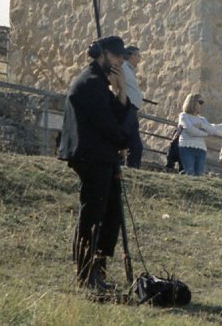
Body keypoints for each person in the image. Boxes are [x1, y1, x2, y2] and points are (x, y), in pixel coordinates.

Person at [59, 35, 131, 292]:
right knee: (93, 215)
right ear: (102, 54)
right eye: (117, 58)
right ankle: (86, 274)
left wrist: (120, 88)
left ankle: (97, 271)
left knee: (110, 214)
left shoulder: (101, 83)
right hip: (92, 156)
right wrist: (123, 140)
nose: (120, 63)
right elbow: (111, 125)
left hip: (103, 156)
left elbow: (120, 112)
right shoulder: (90, 83)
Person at [176, 93, 222, 176]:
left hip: (201, 149)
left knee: (199, 175)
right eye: (200, 102)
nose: (202, 105)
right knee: (190, 173)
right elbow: (191, 130)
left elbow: (212, 130)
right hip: (186, 147)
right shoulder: (184, 116)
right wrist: (205, 133)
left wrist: (202, 126)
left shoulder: (202, 119)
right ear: (192, 102)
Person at [121, 45, 145, 168]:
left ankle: (133, 168)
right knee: (122, 138)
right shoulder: (123, 67)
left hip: (132, 110)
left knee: (136, 145)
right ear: (131, 55)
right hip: (126, 109)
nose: (139, 59)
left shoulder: (129, 70)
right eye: (138, 56)